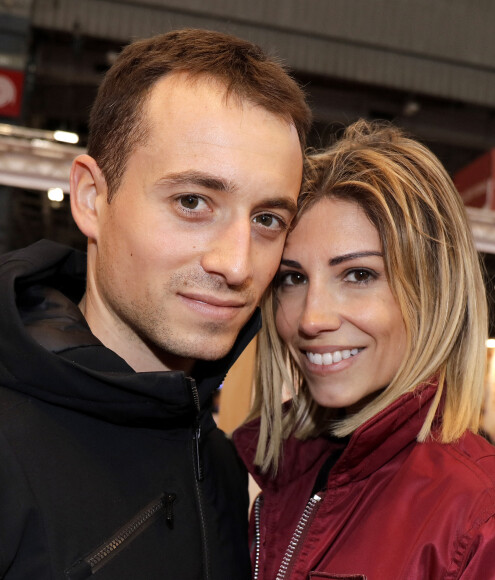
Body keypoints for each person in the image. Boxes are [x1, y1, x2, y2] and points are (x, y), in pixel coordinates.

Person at [0, 28, 311, 579]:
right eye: (193, 202)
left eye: (267, 219)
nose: (237, 265)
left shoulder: (216, 461)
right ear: (93, 199)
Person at [233, 120, 495, 579]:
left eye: (359, 275)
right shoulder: (293, 478)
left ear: (432, 292)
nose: (311, 318)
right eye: (293, 278)